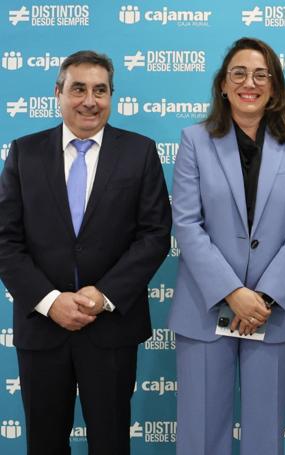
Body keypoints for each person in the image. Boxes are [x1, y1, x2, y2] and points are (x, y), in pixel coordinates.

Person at [0, 50, 171, 455]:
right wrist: (50, 301)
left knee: (111, 443)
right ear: (58, 93)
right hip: (42, 328)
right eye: (78, 89)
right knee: (44, 443)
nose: (90, 101)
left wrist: (103, 295)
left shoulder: (139, 152)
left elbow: (154, 235)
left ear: (112, 96)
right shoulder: (25, 153)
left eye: (100, 90)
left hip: (110, 329)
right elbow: (5, 240)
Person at [168, 37, 285, 455]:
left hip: (271, 312)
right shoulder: (194, 141)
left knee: (264, 435)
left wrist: (262, 298)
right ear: (223, 84)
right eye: (239, 73)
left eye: (260, 74)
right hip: (205, 307)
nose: (248, 82)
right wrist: (233, 293)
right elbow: (187, 223)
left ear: (274, 87)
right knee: (200, 434)